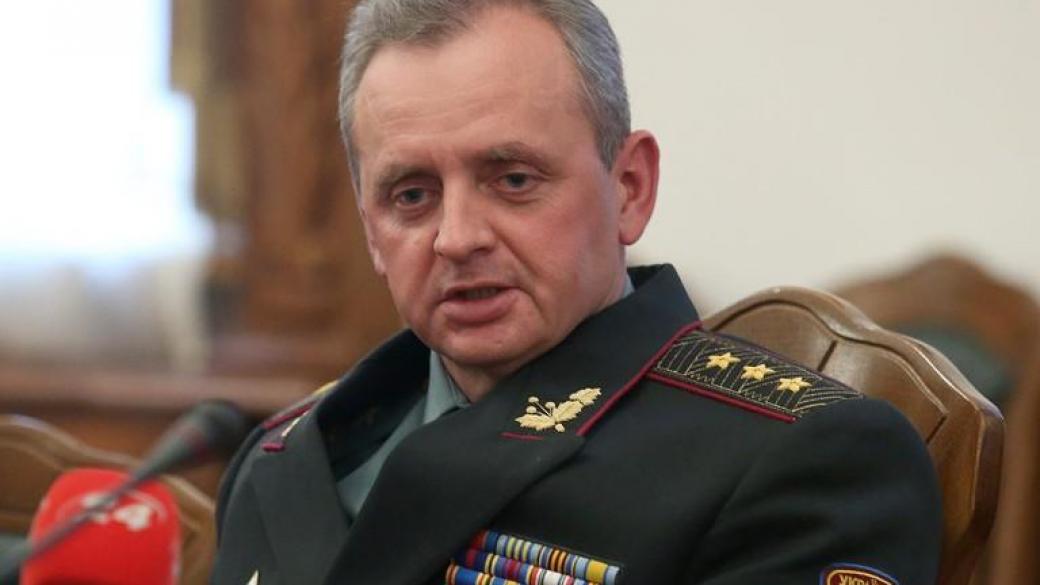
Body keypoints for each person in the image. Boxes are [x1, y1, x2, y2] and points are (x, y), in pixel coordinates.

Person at [211, 1, 942, 584]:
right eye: (411, 194)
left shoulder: (805, 459)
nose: (456, 237)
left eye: (512, 179)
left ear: (630, 188)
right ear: (370, 228)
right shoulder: (285, 455)